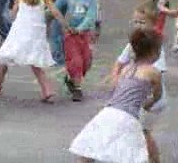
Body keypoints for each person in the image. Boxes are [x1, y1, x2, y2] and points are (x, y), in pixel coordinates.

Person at [69, 28, 162, 163]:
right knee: (131, 150)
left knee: (93, 144)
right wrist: (151, 102)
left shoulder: (126, 69)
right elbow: (157, 94)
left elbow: (117, 89)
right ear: (153, 52)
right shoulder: (153, 72)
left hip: (109, 111)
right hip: (127, 116)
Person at [111, 4, 167, 163]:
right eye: (135, 22)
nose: (138, 26)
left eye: (142, 22)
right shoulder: (132, 44)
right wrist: (115, 77)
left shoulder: (154, 47)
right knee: (135, 130)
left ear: (153, 25)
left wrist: (149, 100)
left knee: (142, 131)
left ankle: (153, 159)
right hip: (135, 97)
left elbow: (157, 75)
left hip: (150, 98)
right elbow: (119, 62)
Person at [0, 0, 57, 101]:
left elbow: (12, 14)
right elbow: (53, 10)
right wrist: (63, 23)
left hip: (20, 32)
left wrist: (10, 12)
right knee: (35, 64)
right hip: (36, 34)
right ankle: (48, 90)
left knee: (3, 56)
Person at [55, 0, 97, 102]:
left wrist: (80, 29)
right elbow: (56, 8)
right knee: (76, 61)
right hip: (70, 34)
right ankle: (77, 89)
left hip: (84, 34)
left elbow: (90, 17)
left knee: (86, 62)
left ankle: (72, 79)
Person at [49, 0, 70, 65]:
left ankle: (58, 57)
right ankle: (60, 55)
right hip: (59, 14)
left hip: (57, 15)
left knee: (55, 35)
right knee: (58, 35)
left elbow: (57, 3)